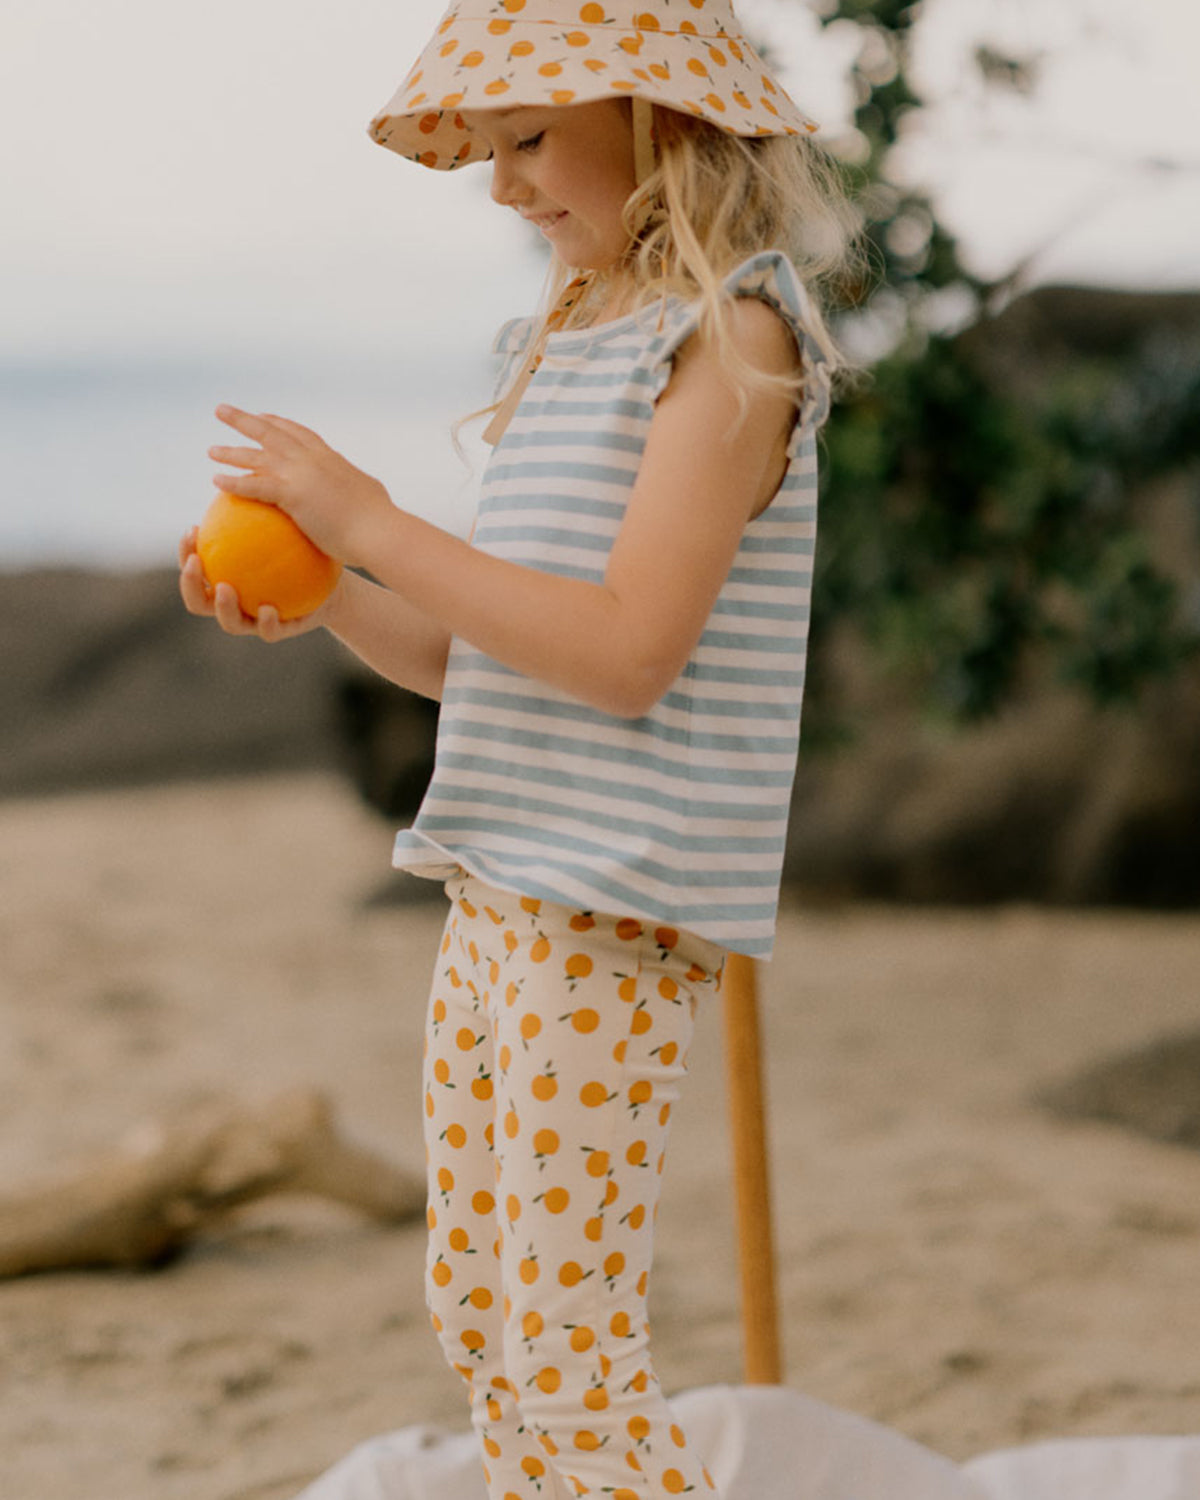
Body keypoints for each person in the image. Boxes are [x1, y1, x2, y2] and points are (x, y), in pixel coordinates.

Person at [180, 5, 860, 1496]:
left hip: (607, 907)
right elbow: (478, 662)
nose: (500, 187)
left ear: (665, 116)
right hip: (499, 885)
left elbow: (625, 655)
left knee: (565, 1340)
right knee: (483, 1307)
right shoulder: (568, 334)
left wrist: (374, 520)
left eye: (529, 140)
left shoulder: (730, 335)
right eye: (485, 151)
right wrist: (329, 597)